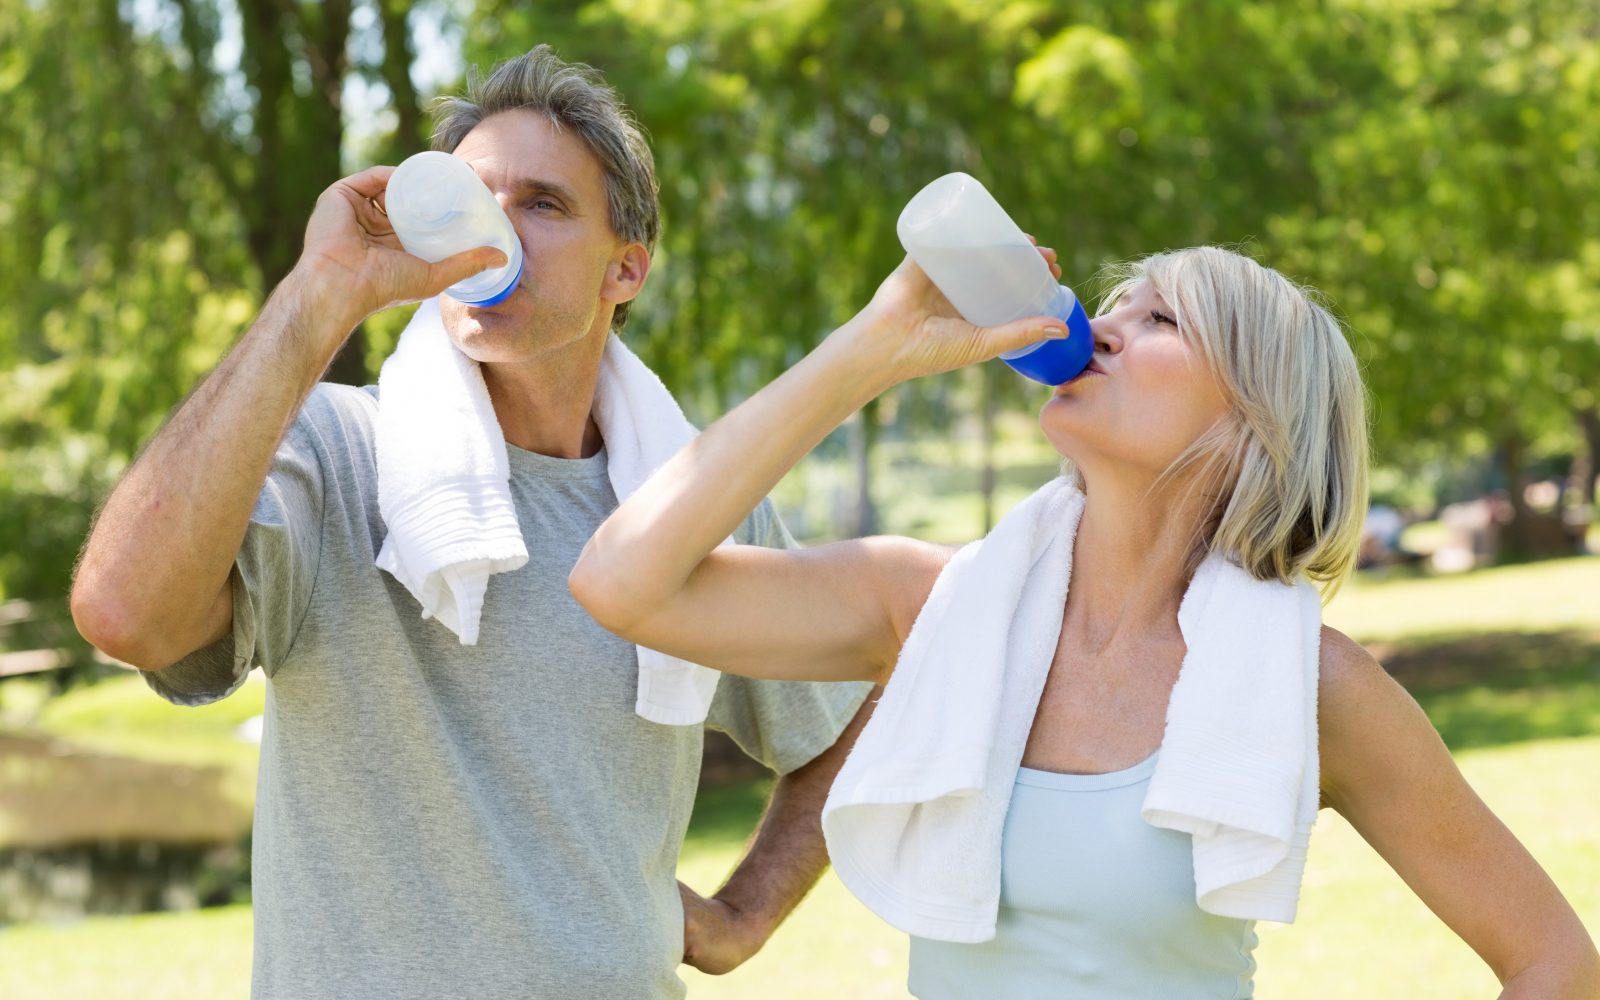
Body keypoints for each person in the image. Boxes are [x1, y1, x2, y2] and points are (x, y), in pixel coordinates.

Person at [570, 246, 1600, 997]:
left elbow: (1556, 963)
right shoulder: (930, 605)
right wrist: (872, 350)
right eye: (1115, 306)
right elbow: (622, 583)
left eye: (1163, 322)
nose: (1100, 327)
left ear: (1256, 423)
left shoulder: (1309, 687)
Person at [70, 45, 872, 1000]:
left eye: (542, 204)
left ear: (626, 269)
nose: (493, 230)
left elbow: (862, 703)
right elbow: (124, 614)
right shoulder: (337, 455)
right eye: (472, 198)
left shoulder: (689, 499)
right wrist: (318, 292)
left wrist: (746, 915)